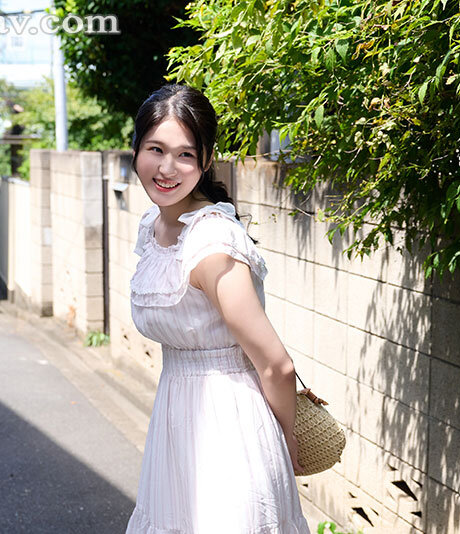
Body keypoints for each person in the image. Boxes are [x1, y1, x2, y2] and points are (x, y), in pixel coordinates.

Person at [125, 83, 311, 534]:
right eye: (156, 149)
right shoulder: (155, 227)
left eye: (185, 155)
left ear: (207, 160)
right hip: (177, 428)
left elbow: (277, 365)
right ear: (136, 149)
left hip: (231, 432)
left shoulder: (211, 241)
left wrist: (285, 440)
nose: (167, 168)